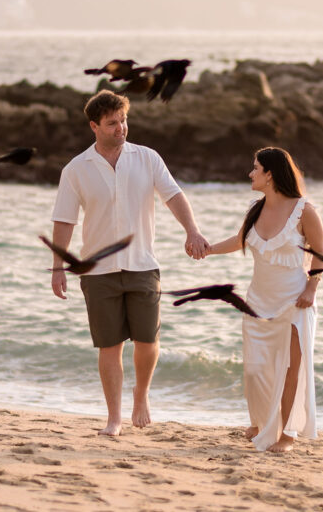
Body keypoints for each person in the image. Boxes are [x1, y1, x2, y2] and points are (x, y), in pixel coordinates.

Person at [50, 89, 210, 436]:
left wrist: (192, 231)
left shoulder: (147, 158)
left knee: (148, 341)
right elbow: (64, 220)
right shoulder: (76, 169)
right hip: (99, 271)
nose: (121, 128)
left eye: (123, 120)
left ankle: (141, 394)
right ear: (94, 126)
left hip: (143, 265)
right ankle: (114, 417)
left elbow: (173, 195)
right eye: (112, 123)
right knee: (109, 347)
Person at [198, 146, 323, 452]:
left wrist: (311, 288)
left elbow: (320, 253)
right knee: (256, 369)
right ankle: (260, 421)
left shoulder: (304, 210)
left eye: (256, 168)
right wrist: (208, 248)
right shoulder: (256, 208)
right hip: (257, 303)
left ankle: (287, 434)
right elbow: (241, 239)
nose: (250, 173)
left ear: (270, 174)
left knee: (292, 369)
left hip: (293, 301)